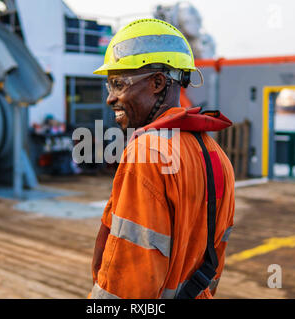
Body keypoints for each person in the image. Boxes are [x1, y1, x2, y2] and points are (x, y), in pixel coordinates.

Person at [89, 18, 235, 299]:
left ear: (157, 82)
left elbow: (128, 279)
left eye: (118, 84)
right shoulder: (217, 157)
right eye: (109, 86)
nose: (110, 98)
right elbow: (213, 264)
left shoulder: (147, 154)